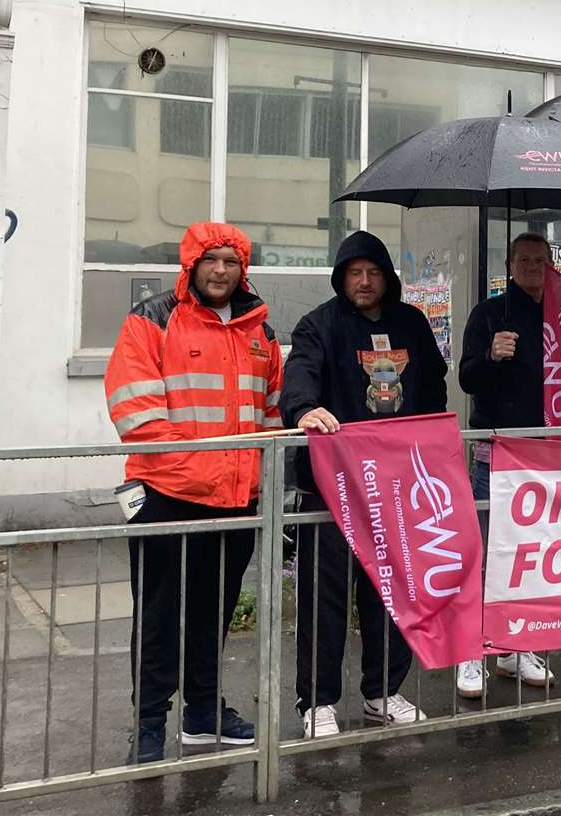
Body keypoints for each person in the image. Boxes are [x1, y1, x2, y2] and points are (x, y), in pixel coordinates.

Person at [104, 223, 283, 764]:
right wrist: (205, 470)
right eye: (211, 261)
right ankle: (148, 724)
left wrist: (250, 479)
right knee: (158, 618)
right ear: (191, 265)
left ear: (242, 267)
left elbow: (271, 416)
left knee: (214, 614)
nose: (221, 271)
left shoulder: (261, 332)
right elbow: (135, 411)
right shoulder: (153, 319)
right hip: (168, 495)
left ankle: (203, 713)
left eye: (231, 261)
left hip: (235, 500)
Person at [281, 231, 448, 738]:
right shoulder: (319, 326)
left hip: (395, 490)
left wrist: (432, 443)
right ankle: (318, 702)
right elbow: (299, 379)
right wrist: (305, 408)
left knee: (391, 595)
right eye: (354, 272)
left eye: (373, 272)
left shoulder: (411, 324)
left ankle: (382, 692)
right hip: (331, 492)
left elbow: (433, 387)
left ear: (387, 276)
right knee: (323, 599)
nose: (365, 281)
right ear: (340, 277)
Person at [455, 231, 557, 697]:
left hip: (546, 455)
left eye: (541, 260)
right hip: (494, 453)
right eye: (525, 260)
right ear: (510, 263)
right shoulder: (489, 313)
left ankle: (518, 648)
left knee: (529, 556)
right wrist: (492, 357)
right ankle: (472, 653)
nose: (534, 267)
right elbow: (466, 376)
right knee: (484, 553)